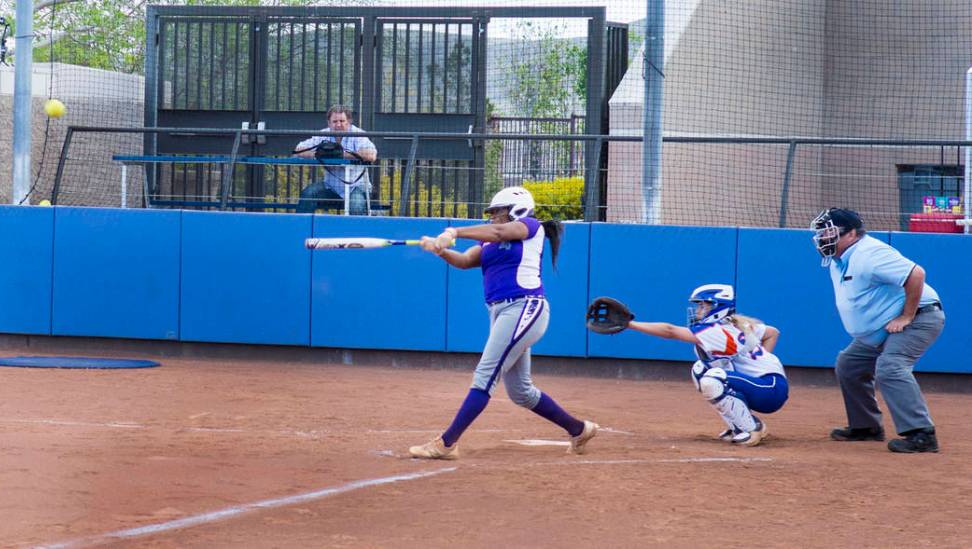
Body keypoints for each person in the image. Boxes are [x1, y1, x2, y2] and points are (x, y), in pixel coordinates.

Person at [408, 186, 598, 459]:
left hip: (525, 307)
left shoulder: (530, 227)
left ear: (515, 210)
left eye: (498, 212)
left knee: (485, 376)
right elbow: (463, 261)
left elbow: (499, 232)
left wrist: (454, 232)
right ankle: (579, 429)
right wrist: (438, 250)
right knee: (521, 392)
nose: (493, 218)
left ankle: (446, 444)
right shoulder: (488, 242)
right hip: (501, 313)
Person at [811, 208, 944, 453]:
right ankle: (866, 427)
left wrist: (906, 315)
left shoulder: (870, 253)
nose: (823, 238)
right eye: (821, 233)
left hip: (919, 318)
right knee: (849, 365)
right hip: (880, 328)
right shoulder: (838, 259)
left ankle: (921, 434)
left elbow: (916, 274)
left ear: (851, 234)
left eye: (829, 232)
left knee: (891, 366)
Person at [612, 284, 788, 446]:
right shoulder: (734, 324)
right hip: (763, 385)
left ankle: (751, 429)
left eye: (704, 305)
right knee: (700, 370)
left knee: (713, 379)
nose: (698, 310)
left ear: (719, 307)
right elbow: (772, 333)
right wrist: (760, 361)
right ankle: (740, 424)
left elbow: (670, 331)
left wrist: (630, 324)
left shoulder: (717, 330)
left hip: (770, 389)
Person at [293, 105, 377, 215]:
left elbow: (372, 155)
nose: (338, 124)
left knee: (356, 206)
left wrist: (342, 154)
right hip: (331, 187)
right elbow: (298, 150)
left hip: (355, 187)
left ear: (349, 122)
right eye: (335, 121)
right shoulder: (324, 134)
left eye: (342, 121)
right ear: (329, 123)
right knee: (308, 194)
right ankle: (301, 230)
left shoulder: (358, 134)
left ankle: (356, 232)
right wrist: (319, 154)